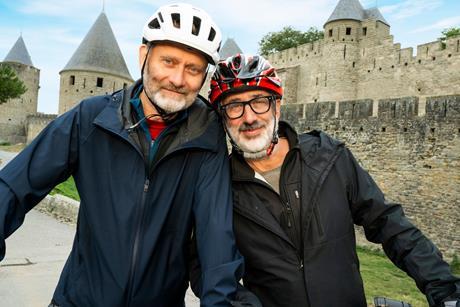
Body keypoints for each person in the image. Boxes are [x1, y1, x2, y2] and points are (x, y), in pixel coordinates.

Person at [0, 3, 244, 306]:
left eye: (193, 69)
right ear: (144, 56)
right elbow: (13, 186)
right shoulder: (91, 119)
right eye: (168, 61)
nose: (179, 80)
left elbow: (216, 236)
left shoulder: (208, 138)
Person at [207, 53, 460, 307]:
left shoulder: (328, 157)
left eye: (259, 101)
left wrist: (444, 289)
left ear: (277, 106)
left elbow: (387, 222)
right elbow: (209, 268)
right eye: (234, 106)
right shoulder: (219, 186)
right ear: (223, 118)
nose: (249, 117)